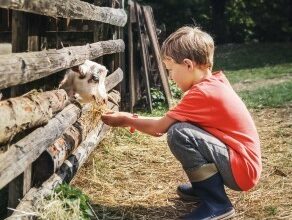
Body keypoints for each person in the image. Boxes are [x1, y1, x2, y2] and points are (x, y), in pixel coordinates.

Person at [101, 26, 262, 220]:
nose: (170, 77)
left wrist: (126, 120)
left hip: (242, 169)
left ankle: (217, 204)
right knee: (182, 129)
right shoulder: (213, 84)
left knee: (179, 133)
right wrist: (132, 119)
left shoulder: (202, 93)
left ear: (188, 65)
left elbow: (160, 128)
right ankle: (205, 189)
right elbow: (166, 121)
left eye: (170, 70)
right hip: (241, 163)